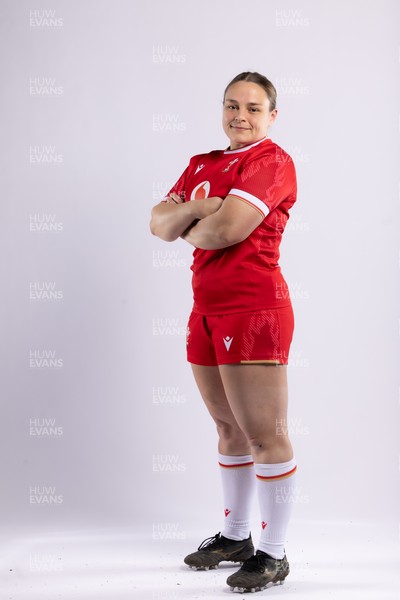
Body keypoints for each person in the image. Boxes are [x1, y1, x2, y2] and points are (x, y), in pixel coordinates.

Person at [150, 71, 298, 594]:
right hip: (206, 309)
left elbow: (225, 231)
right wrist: (201, 206)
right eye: (232, 105)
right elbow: (157, 223)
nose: (240, 115)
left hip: (253, 310)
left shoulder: (272, 162)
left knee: (265, 434)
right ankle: (236, 536)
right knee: (227, 430)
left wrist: (194, 219)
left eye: (254, 108)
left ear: (271, 116)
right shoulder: (202, 164)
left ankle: (274, 555)